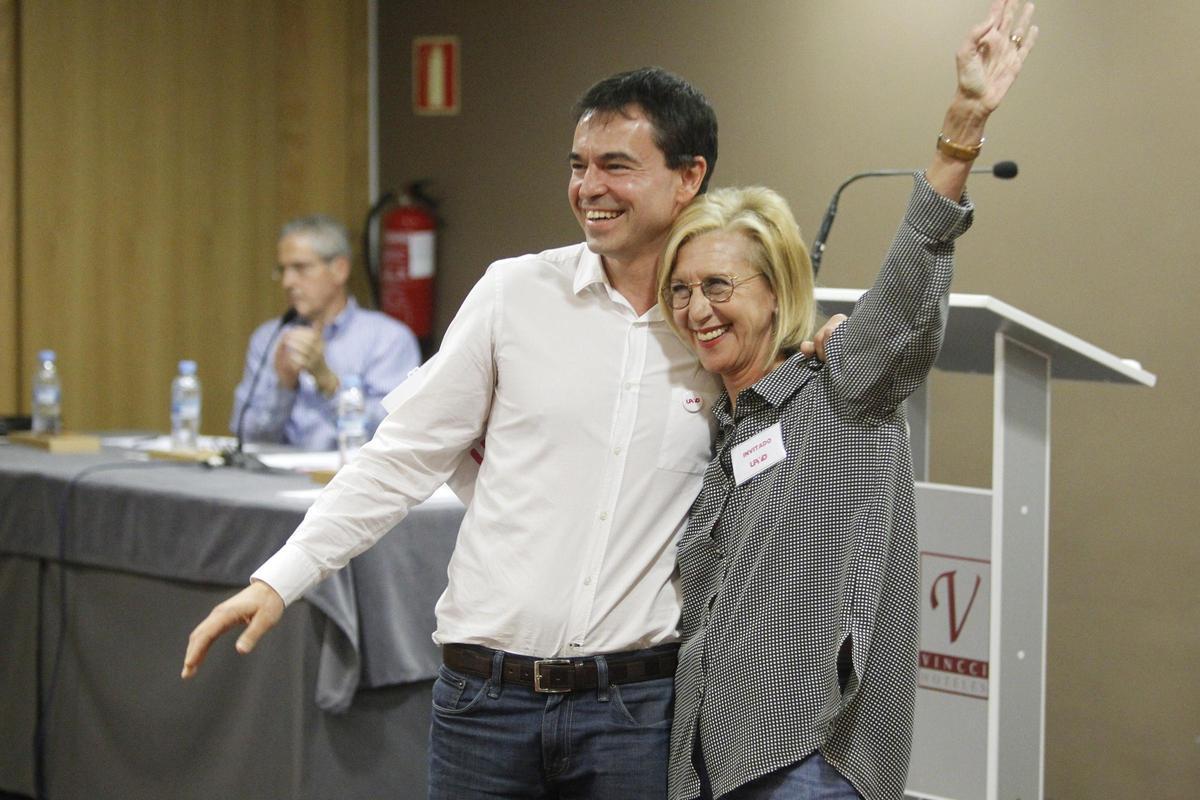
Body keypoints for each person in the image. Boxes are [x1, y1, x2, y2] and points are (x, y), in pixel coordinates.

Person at [186, 68, 726, 798]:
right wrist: (280, 580)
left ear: (688, 176)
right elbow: (402, 456)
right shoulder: (514, 294)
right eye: (578, 165)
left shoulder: (717, 329)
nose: (588, 187)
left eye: (616, 165)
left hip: (637, 711)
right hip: (486, 704)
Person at [656, 3, 1038, 798]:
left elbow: (905, 285)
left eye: (719, 286)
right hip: (711, 758)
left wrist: (962, 127)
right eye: (681, 290)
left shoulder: (841, 389)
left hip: (805, 758)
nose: (697, 310)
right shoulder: (726, 428)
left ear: (776, 290)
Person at [230, 214, 421, 450]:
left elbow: (397, 434)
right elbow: (246, 437)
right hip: (277, 471)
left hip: (350, 471)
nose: (287, 282)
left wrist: (328, 383)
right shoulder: (268, 338)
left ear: (340, 270)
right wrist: (284, 387)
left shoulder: (388, 339)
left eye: (300, 268)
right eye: (282, 270)